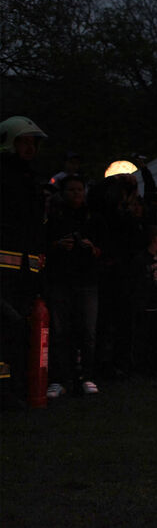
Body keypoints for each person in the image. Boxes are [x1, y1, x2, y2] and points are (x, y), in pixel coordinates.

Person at [44, 175, 107, 396]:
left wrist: (92, 248)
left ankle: (86, 376)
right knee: (60, 332)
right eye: (72, 190)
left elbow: (104, 249)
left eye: (79, 189)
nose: (76, 194)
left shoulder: (92, 218)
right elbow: (43, 245)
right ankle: (59, 379)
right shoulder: (54, 218)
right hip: (61, 280)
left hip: (87, 280)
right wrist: (58, 245)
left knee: (87, 331)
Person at [0, 116, 48, 408]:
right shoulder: (5, 176)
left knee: (19, 330)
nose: (30, 148)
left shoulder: (31, 178)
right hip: (5, 268)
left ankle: (14, 386)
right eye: (24, 142)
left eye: (33, 143)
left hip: (26, 269)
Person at [126, 225, 157, 376]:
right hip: (145, 305)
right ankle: (141, 366)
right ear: (155, 238)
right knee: (143, 336)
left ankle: (155, 365)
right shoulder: (141, 260)